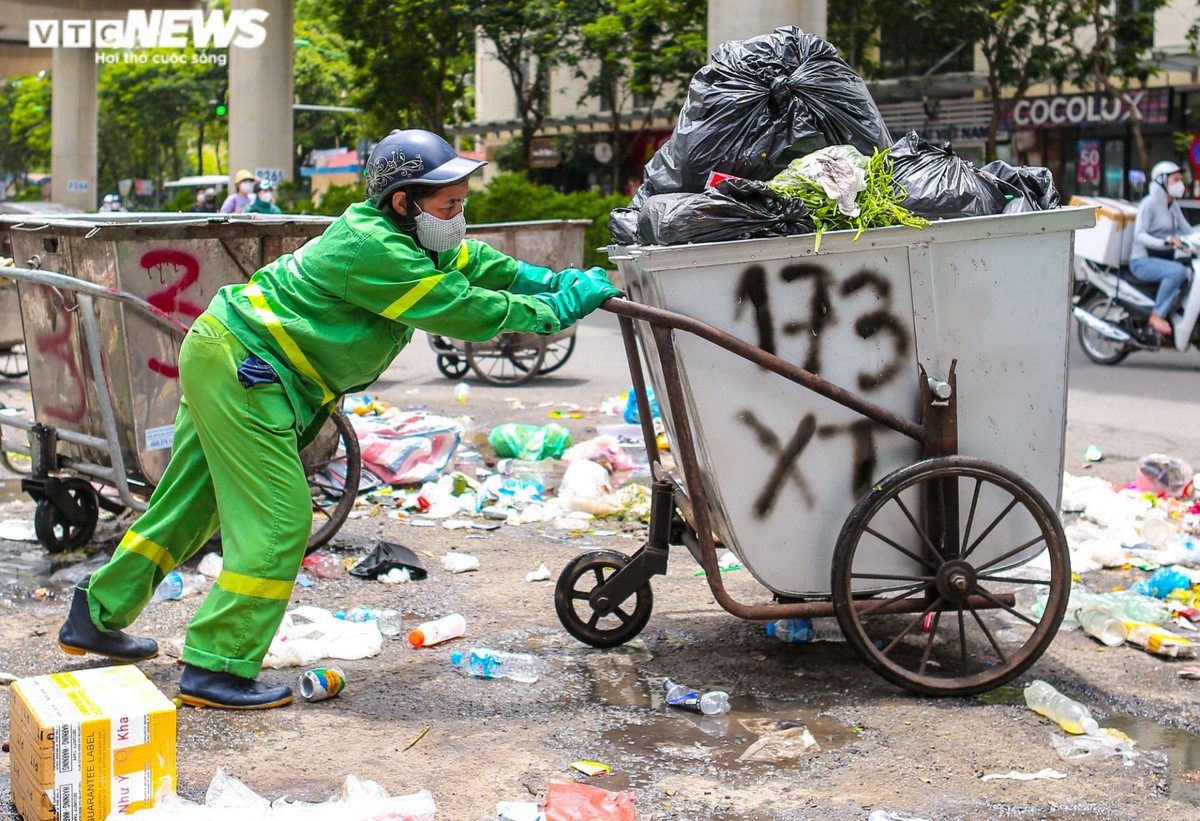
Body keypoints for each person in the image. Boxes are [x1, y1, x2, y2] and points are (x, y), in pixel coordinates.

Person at [57, 129, 619, 710]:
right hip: (249, 367)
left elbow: (478, 264)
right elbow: (465, 308)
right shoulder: (377, 250)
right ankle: (215, 666)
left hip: (228, 353)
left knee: (191, 506)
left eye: (462, 203)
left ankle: (95, 615)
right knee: (279, 523)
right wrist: (554, 309)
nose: (459, 216)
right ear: (404, 202)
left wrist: (548, 280)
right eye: (449, 204)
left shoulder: (414, 237)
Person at [1130, 160, 1197, 335]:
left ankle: (1172, 312)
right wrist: (1166, 241)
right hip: (1141, 260)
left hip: (1160, 258)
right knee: (1178, 272)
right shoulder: (1149, 203)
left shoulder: (1172, 205)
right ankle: (1157, 315)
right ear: (1162, 181)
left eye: (1180, 180)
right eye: (1175, 180)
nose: (1180, 184)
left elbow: (1187, 231)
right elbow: (1139, 235)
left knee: (1189, 274)